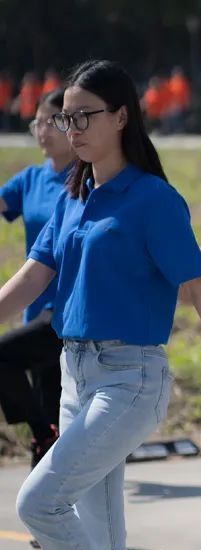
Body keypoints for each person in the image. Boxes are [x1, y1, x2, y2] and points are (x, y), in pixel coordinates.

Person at [13, 59, 201, 550]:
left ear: (122, 116)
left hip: (130, 382)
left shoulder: (154, 200)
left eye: (84, 117)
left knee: (40, 503)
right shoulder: (72, 196)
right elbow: (32, 276)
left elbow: (200, 292)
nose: (72, 129)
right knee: (103, 539)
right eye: (66, 120)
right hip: (75, 376)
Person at [0, 89, 71, 484]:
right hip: (35, 306)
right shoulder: (30, 179)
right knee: (48, 408)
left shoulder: (86, 178)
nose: (43, 130)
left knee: (6, 359)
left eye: (52, 121)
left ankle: (45, 437)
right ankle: (46, 516)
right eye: (37, 122)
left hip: (66, 312)